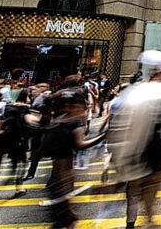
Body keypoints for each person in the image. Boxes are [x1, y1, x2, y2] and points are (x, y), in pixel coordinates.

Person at [46, 76, 105, 228]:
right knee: (65, 176)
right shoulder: (75, 116)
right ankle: (64, 213)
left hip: (54, 135)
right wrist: (102, 136)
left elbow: (48, 115)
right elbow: (80, 144)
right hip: (66, 141)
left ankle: (63, 211)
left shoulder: (58, 95)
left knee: (59, 174)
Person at [0, 89, 35, 209]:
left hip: (1, 139)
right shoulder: (25, 108)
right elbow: (29, 121)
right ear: (26, 96)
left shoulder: (7, 106)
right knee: (21, 163)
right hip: (17, 141)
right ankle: (19, 187)